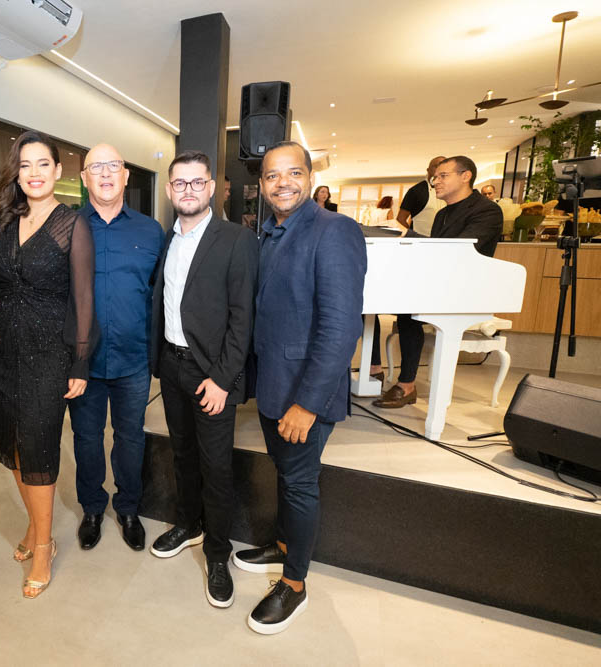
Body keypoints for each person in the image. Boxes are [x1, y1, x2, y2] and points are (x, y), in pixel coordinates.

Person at [233, 141, 366, 635]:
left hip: (304, 393)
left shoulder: (335, 231)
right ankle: (283, 546)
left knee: (300, 484)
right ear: (262, 184)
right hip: (274, 386)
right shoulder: (271, 233)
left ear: (310, 178)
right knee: (287, 477)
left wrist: (307, 404)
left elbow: (341, 328)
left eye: (293, 173)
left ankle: (294, 584)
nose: (282, 183)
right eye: (272, 175)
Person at [0, 130, 96, 599]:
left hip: (49, 356)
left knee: (39, 448)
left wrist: (80, 364)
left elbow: (84, 300)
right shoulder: (8, 220)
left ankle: (44, 547)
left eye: (42, 164)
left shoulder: (73, 225)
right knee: (13, 445)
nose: (33, 173)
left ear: (58, 170)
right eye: (25, 165)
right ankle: (34, 524)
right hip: (4, 353)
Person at [149, 150, 258, 609]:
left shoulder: (237, 240)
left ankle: (217, 553)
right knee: (183, 455)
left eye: (198, 182)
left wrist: (222, 379)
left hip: (211, 374)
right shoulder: (168, 238)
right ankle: (188, 524)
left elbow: (242, 318)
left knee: (216, 467)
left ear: (212, 188)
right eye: (180, 183)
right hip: (172, 366)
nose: (189, 190)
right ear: (170, 189)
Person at [67, 144, 163, 551]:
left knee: (130, 438)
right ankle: (92, 508)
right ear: (84, 178)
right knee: (86, 439)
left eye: (113, 166)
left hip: (133, 359)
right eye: (96, 167)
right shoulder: (67, 226)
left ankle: (127, 509)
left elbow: (161, 295)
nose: (105, 174)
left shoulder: (151, 231)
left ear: (125, 175)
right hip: (83, 362)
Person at [374, 155, 503, 409]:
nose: (435, 182)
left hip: (466, 287)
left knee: (408, 310)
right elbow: (436, 255)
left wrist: (408, 234)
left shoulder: (487, 210)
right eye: (435, 177)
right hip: (441, 282)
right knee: (375, 303)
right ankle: (376, 370)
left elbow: (459, 250)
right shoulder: (442, 213)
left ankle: (406, 385)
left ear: (465, 176)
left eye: (443, 176)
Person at [397, 156, 446, 236]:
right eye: (436, 166)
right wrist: (413, 236)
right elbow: (400, 219)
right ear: (428, 170)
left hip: (445, 239)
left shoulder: (451, 191)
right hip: (421, 240)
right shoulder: (416, 191)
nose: (440, 169)